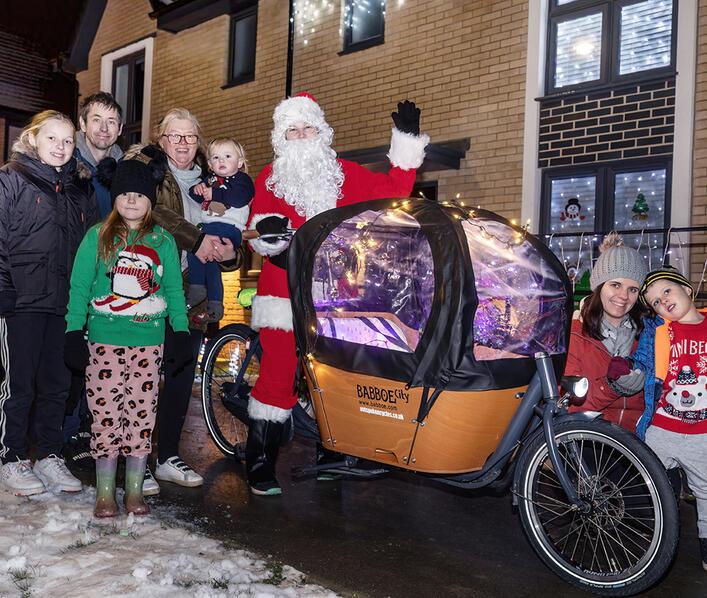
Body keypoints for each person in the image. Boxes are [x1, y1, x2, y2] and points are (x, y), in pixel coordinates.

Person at [245, 94, 429, 495]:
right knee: (278, 374)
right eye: (292, 131)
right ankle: (259, 461)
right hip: (284, 293)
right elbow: (259, 235)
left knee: (336, 374)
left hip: (338, 296)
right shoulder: (270, 178)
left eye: (307, 128)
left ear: (321, 132)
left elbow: (394, 192)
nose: (301, 136)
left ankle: (332, 453)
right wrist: (270, 231)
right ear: (282, 138)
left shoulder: (343, 174)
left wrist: (406, 141)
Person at [64, 158, 191, 517]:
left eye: (139, 195)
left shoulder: (163, 240)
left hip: (148, 345)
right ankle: (105, 492)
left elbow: (173, 290)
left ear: (152, 199)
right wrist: (74, 331)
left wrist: (179, 331)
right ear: (115, 196)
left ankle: (134, 491)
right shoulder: (98, 236)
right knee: (105, 415)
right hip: (104, 342)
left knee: (140, 414)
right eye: (124, 194)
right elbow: (79, 287)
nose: (132, 201)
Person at [123, 108, 239, 493]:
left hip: (196, 291)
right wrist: (197, 239)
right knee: (141, 373)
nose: (184, 144)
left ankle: (168, 455)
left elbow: (236, 220)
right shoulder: (149, 168)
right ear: (161, 138)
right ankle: (132, 458)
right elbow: (150, 212)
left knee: (179, 373)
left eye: (190, 136)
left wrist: (230, 251)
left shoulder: (217, 176)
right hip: (152, 283)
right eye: (175, 136)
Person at [0, 110, 98, 496]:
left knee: (57, 384)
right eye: (52, 138)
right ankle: (11, 457)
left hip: (64, 303)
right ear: (34, 140)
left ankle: (49, 456)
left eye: (67, 140)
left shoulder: (79, 189)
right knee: (18, 384)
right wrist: (3, 289)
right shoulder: (10, 180)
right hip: (21, 300)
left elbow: (90, 249)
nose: (60, 147)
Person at [621, 266, 707, 571]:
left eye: (666, 292)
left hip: (701, 433)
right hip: (662, 427)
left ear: (687, 289)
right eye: (655, 301)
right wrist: (627, 371)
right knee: (648, 484)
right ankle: (650, 540)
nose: (662, 302)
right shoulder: (659, 331)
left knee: (706, 492)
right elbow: (642, 362)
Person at [564, 233, 647, 431]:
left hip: (640, 442)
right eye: (615, 285)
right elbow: (569, 405)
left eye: (633, 289)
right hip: (590, 439)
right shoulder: (575, 333)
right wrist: (612, 387)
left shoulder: (648, 335)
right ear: (599, 286)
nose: (623, 296)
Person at [187, 137, 253, 322]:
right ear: (209, 164)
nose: (221, 161)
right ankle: (214, 302)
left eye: (227, 156)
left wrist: (214, 193)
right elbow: (197, 197)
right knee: (209, 263)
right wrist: (198, 189)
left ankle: (198, 288)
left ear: (239, 162)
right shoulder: (210, 179)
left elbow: (239, 198)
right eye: (215, 157)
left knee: (198, 247)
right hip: (210, 227)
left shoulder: (242, 180)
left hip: (230, 228)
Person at [74, 91, 124, 219]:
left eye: (111, 122)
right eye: (97, 120)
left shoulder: (127, 170)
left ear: (120, 129)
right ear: (83, 124)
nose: (104, 128)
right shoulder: (65, 162)